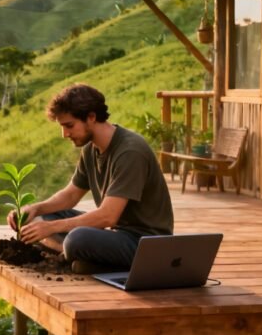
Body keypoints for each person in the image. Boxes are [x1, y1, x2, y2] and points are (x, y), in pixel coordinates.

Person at [10, 83, 174, 271]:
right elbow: (70, 195)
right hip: (117, 235)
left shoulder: (130, 151)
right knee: (43, 217)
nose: (64, 134)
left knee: (77, 239)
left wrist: (52, 228)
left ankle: (75, 255)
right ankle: (80, 258)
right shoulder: (91, 148)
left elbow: (107, 217)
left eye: (69, 125)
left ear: (91, 117)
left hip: (145, 244)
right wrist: (35, 208)